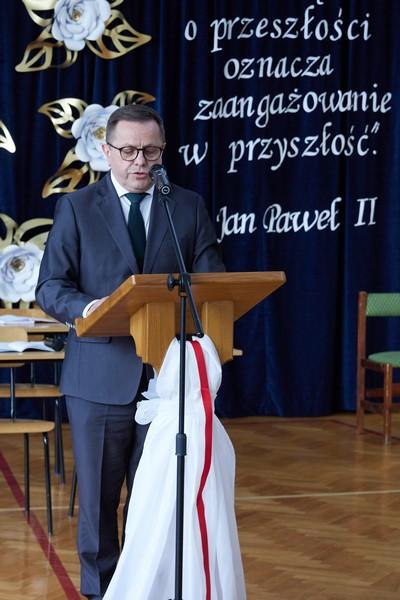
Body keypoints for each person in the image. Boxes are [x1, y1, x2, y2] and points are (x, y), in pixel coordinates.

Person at [35, 103, 225, 600]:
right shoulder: (78, 207)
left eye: (151, 151)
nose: (140, 161)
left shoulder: (186, 206)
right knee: (99, 504)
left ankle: (148, 588)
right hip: (99, 376)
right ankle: (100, 592)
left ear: (163, 152)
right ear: (106, 152)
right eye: (129, 151)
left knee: (154, 501)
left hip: (168, 379)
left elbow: (213, 282)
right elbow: (51, 286)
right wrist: (91, 307)